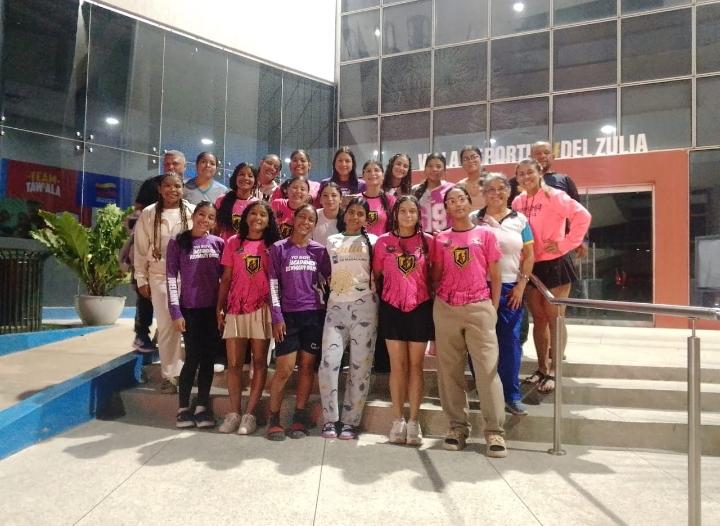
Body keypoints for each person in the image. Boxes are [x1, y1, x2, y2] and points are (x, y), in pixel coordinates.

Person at [432, 185, 508, 458]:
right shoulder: (441, 239)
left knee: (487, 370)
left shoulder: (485, 234)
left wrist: (492, 308)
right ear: (446, 208)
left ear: (469, 202)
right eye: (451, 201)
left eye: (461, 199)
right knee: (449, 371)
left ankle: (494, 431)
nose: (457, 204)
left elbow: (496, 275)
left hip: (479, 306)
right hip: (447, 307)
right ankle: (457, 427)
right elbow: (437, 274)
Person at [512, 158, 591, 394]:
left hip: (555, 263)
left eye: (530, 172)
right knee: (539, 319)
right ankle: (541, 368)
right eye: (521, 174)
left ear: (540, 173)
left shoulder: (554, 196)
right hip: (530, 265)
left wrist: (565, 244)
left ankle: (555, 370)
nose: (526, 177)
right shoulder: (517, 201)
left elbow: (583, 216)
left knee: (555, 318)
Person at [373, 195, 434, 445]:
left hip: (420, 308)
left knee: (416, 366)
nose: (408, 215)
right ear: (395, 214)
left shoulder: (429, 242)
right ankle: (397, 419)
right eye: (403, 211)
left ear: (419, 215)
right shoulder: (383, 242)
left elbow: (435, 275)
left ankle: (414, 421)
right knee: (397, 366)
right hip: (392, 308)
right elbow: (377, 274)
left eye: (412, 211)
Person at [471, 174, 534, 415]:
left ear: (509, 191)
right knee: (479, 342)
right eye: (490, 189)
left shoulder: (521, 220)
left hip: (510, 289)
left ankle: (511, 395)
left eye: (500, 188)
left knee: (510, 342)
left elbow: (529, 255)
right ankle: (485, 392)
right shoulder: (473, 219)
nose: (495, 193)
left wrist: (521, 285)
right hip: (478, 288)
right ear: (483, 193)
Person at [267, 204, 331, 440]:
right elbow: (273, 284)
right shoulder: (278, 248)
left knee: (306, 367)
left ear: (315, 224)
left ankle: (299, 416)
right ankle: (274, 418)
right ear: (293, 219)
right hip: (288, 317)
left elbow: (331, 279)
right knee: (284, 369)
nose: (305, 222)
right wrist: (276, 316)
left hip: (313, 315)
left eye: (310, 219)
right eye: (302, 217)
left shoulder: (319, 251)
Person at [216, 201, 280, 434]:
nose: (257, 218)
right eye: (253, 213)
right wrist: (220, 307)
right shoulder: (233, 242)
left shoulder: (274, 246)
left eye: (263, 214)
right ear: (245, 217)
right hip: (235, 308)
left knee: (260, 362)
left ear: (269, 220)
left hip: (262, 309)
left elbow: (277, 281)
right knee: (234, 364)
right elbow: (226, 278)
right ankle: (234, 413)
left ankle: (249, 415)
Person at [318, 197, 378, 440]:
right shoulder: (332, 241)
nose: (355, 217)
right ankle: (330, 419)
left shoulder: (373, 241)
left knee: (360, 366)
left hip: (365, 308)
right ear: (344, 214)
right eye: (351, 212)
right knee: (328, 363)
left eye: (360, 214)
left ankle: (351, 421)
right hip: (336, 308)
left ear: (366, 218)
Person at [134, 173, 195, 394]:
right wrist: (141, 278)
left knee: (191, 326)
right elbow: (141, 248)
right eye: (167, 186)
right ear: (159, 189)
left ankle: (191, 372)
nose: (172, 190)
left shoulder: (191, 211)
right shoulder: (149, 213)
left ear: (183, 188)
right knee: (168, 325)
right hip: (159, 275)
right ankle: (171, 375)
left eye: (177, 186)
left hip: (189, 276)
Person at [166, 201, 224, 428]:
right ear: (194, 215)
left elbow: (225, 279)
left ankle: (201, 406)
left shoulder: (218, 243)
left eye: (210, 217)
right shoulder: (178, 242)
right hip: (189, 310)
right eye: (201, 214)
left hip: (211, 310)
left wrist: (222, 308)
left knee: (208, 358)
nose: (205, 220)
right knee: (192, 357)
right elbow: (171, 278)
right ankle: (182, 408)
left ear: (215, 221)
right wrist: (175, 312)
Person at [131, 150, 186, 353]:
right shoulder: (149, 204)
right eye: (167, 163)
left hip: (183, 272)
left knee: (180, 318)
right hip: (155, 265)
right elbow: (137, 214)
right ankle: (142, 334)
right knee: (149, 302)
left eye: (175, 163)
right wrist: (141, 277)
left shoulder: (189, 206)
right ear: (159, 189)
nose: (171, 166)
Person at [215, 162, 260, 240]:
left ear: (255, 181)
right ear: (235, 178)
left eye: (250, 176)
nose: (246, 178)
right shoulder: (221, 200)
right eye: (241, 174)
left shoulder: (258, 204)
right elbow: (215, 229)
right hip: (225, 246)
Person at [412, 153, 454, 234]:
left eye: (438, 166)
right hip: (422, 238)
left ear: (444, 170)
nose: (434, 169)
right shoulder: (416, 191)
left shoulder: (451, 189)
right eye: (430, 166)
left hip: (446, 237)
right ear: (425, 169)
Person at [362, 160, 395, 236]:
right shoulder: (357, 199)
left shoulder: (390, 200)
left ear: (383, 175)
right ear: (363, 176)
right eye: (368, 171)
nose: (372, 173)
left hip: (383, 242)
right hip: (359, 243)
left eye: (376, 170)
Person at [313, 181, 342, 246]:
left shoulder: (347, 219)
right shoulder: (313, 216)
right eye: (325, 195)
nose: (329, 199)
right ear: (320, 199)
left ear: (340, 199)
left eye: (334, 195)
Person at [458, 146, 486, 212]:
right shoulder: (459, 186)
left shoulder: (491, 182)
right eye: (466, 159)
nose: (470, 161)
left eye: (474, 157)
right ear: (461, 163)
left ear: (481, 159)